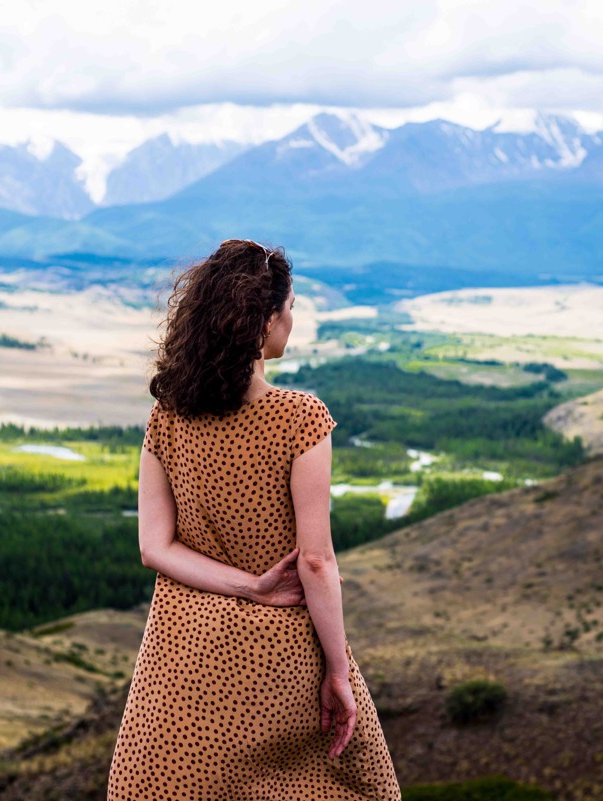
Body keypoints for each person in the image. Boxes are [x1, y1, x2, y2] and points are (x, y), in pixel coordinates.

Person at [106, 239, 401, 800]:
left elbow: (154, 547)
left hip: (179, 657)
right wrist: (338, 672)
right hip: (280, 660)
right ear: (262, 321)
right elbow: (315, 561)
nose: (292, 318)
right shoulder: (301, 417)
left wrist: (248, 585)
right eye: (288, 307)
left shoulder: (167, 413)